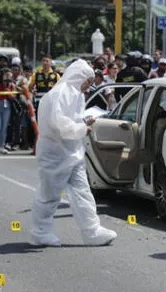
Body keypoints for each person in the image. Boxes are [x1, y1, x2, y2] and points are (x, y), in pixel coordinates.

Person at [31, 59, 117, 247]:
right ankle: (40, 232)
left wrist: (84, 123)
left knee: (83, 192)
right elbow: (59, 123)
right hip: (55, 152)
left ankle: (92, 231)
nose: (89, 85)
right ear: (78, 76)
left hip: (72, 152)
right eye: (87, 80)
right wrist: (81, 128)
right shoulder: (60, 94)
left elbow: (72, 120)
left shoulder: (76, 95)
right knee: (49, 194)